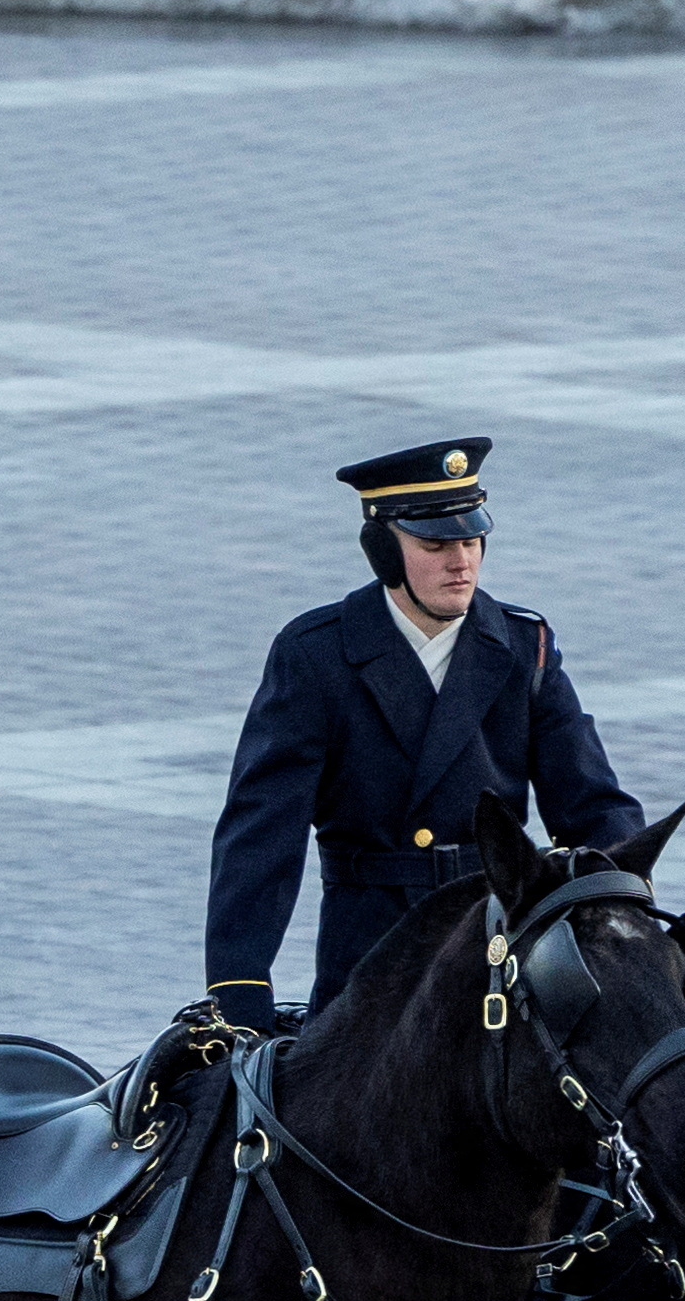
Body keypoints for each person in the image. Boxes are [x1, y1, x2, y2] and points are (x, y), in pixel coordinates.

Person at [192, 435, 636, 1036]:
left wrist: (626, 927)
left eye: (473, 538)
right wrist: (239, 991)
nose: (463, 561)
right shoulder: (318, 655)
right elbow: (262, 834)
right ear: (382, 551)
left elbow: (592, 806)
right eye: (435, 544)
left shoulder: (523, 647)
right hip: (373, 949)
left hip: (494, 940)